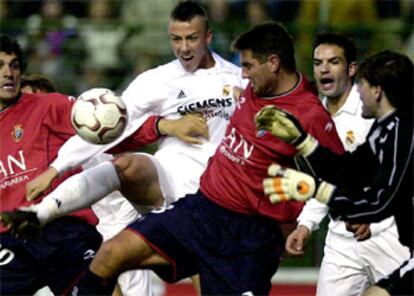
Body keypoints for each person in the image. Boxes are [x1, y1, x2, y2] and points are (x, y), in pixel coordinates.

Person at [49, 21, 343, 295]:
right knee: (111, 253)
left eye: (249, 66)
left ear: (274, 63)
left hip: (248, 238)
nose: (242, 73)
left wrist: (320, 221)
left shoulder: (310, 115)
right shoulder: (252, 90)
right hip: (200, 211)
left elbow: (342, 175)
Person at [2, 1, 244, 294]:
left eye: (191, 38)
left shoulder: (238, 79)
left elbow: (262, 140)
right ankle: (44, 211)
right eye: (176, 39)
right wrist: (57, 167)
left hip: (218, 197)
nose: (183, 48)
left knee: (210, 278)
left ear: (208, 37)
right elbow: (109, 127)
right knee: (127, 166)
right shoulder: (157, 80)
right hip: (166, 186)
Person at [256, 50, 413, 296]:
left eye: (362, 84)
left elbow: (383, 201)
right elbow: (347, 171)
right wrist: (301, 140)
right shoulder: (384, 130)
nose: (358, 92)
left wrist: (316, 190)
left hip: (395, 243)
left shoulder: (405, 134)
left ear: (377, 91)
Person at [18, 75, 153, 296]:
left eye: (34, 98)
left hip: (122, 212)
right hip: (89, 224)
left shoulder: (85, 124)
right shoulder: (35, 149)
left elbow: (126, 136)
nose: (30, 107)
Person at [0, 34, 102, 295]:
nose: (8, 73)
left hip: (62, 229)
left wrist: (160, 126)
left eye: (14, 66)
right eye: (0, 66)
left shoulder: (46, 106)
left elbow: (105, 119)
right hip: (12, 240)